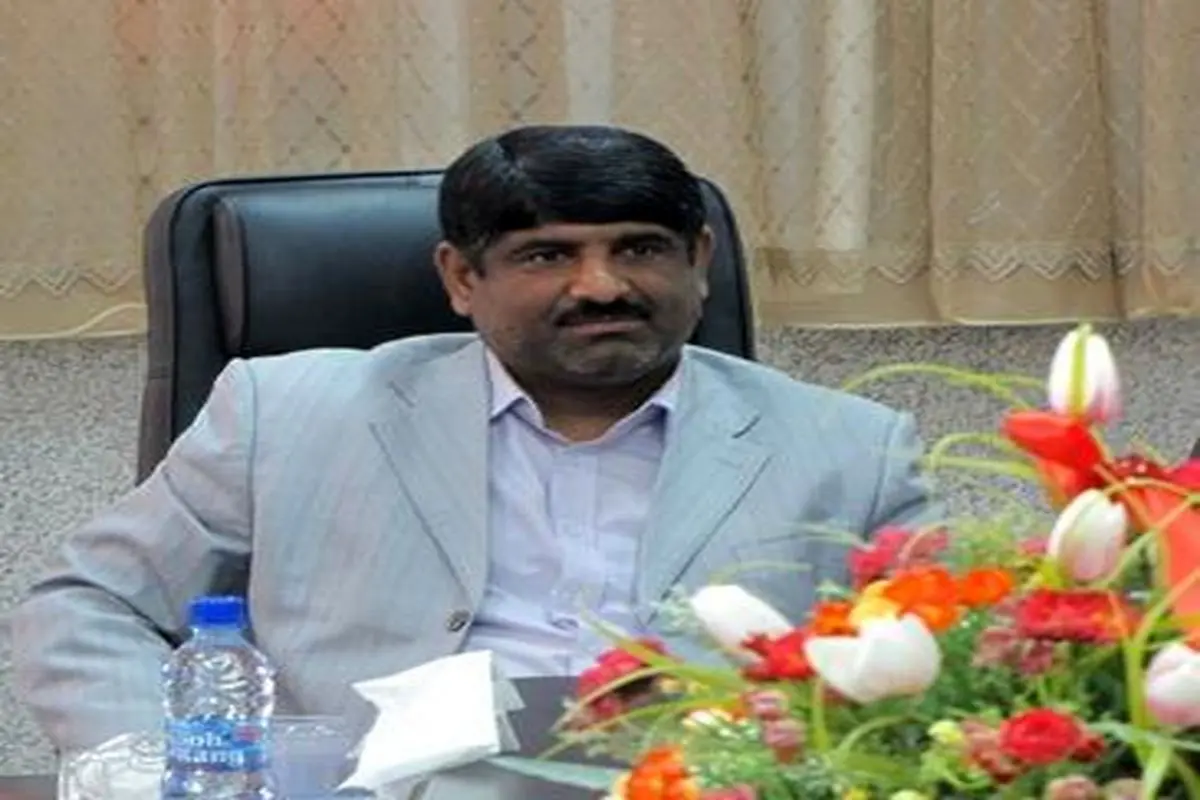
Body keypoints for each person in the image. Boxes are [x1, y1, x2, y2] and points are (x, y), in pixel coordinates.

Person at [11, 124, 933, 754]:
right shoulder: (287, 412)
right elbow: (92, 605)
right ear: (460, 277)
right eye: (547, 255)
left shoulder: (850, 448)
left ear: (699, 262)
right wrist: (163, 772)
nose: (602, 285)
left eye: (641, 248)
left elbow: (953, 660)